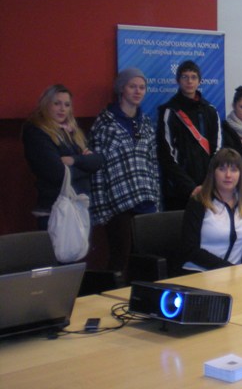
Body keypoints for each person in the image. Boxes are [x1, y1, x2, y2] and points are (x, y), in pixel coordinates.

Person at [90, 68, 160, 274]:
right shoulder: (105, 123)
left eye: (142, 87)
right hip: (118, 204)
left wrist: (156, 199)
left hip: (146, 200)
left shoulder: (145, 122)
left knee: (145, 261)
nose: (137, 91)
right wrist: (101, 208)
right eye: (132, 87)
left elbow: (153, 163)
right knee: (120, 260)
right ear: (122, 89)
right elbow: (97, 169)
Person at [22, 84, 103, 230]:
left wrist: (74, 160)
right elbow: (57, 172)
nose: (62, 109)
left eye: (67, 105)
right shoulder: (36, 132)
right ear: (46, 104)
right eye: (57, 103)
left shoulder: (72, 131)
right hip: (54, 211)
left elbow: (97, 161)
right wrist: (85, 166)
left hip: (79, 208)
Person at [179, 148, 242, 272]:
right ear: (213, 173)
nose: (228, 175)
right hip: (199, 273)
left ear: (241, 174)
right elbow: (190, 249)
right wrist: (229, 269)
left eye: (234, 170)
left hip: (234, 274)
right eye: (222, 169)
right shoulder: (199, 201)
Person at [157, 60, 222, 211]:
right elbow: (166, 155)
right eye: (185, 77)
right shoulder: (169, 111)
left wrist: (208, 183)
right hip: (178, 192)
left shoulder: (211, 111)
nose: (189, 81)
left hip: (208, 188)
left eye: (193, 77)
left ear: (199, 81)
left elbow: (217, 151)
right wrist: (189, 187)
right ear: (178, 80)